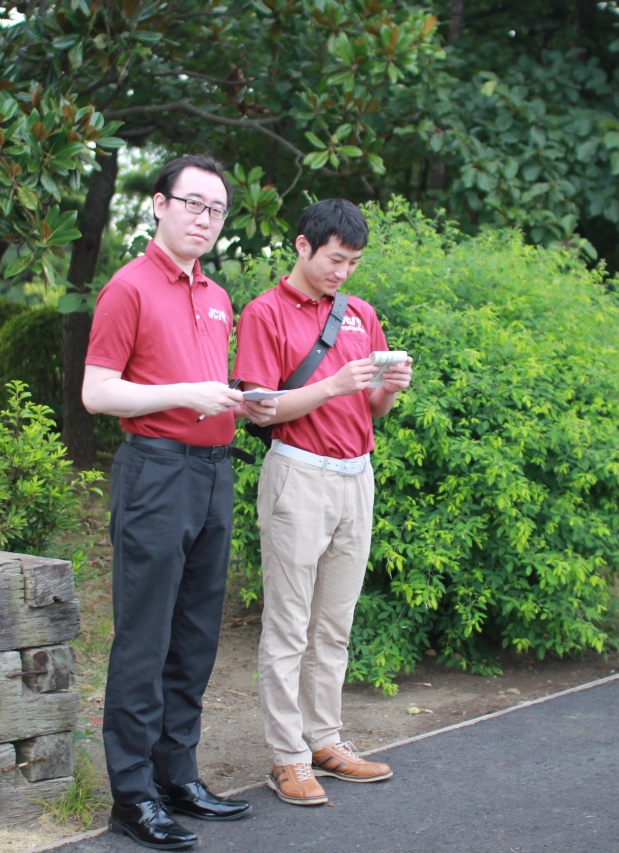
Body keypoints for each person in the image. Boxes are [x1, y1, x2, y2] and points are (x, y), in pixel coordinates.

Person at [83, 155, 277, 849]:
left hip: (213, 471)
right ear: (160, 205)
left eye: (216, 209)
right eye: (193, 203)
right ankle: (132, 794)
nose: (204, 218)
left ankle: (177, 775)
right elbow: (97, 392)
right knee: (146, 634)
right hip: (156, 472)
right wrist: (185, 395)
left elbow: (202, 384)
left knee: (195, 633)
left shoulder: (217, 295)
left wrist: (241, 401)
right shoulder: (128, 288)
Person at [232, 198, 413, 807]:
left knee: (334, 624)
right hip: (299, 473)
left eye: (354, 262)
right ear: (303, 246)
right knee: (289, 625)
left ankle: (325, 741)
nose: (343, 272)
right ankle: (287, 756)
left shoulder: (359, 313)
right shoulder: (264, 312)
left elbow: (373, 409)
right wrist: (332, 384)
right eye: (336, 259)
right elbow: (259, 409)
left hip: (356, 475)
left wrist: (390, 387)